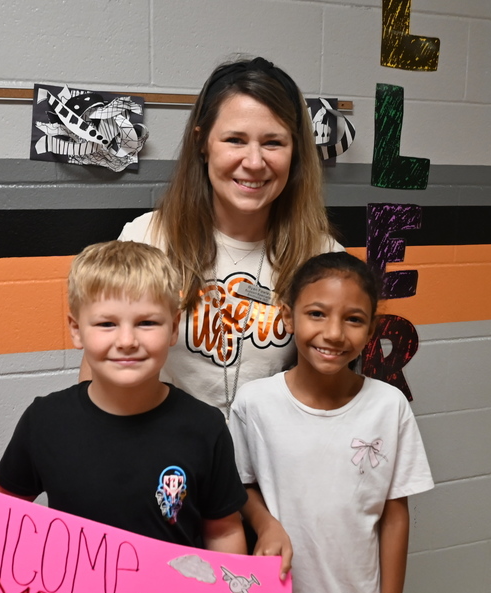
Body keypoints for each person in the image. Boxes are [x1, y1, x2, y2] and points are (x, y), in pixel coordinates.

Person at [0, 241, 247, 553]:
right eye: (106, 324)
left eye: (147, 323)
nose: (127, 341)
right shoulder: (48, 420)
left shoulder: (204, 427)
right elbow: (2, 494)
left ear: (174, 327)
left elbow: (224, 531)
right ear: (76, 330)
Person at [229, 252, 434, 593]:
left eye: (353, 319)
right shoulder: (255, 403)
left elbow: (395, 517)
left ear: (372, 330)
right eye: (317, 314)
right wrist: (265, 523)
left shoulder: (389, 407)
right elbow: (238, 487)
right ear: (288, 317)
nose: (334, 333)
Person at [110, 56, 343, 417]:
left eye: (273, 143)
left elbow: (336, 395)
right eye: (235, 139)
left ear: (295, 151)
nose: (253, 161)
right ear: (203, 143)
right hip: (171, 463)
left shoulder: (325, 261)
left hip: (271, 463)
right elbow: (98, 376)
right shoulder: (145, 239)